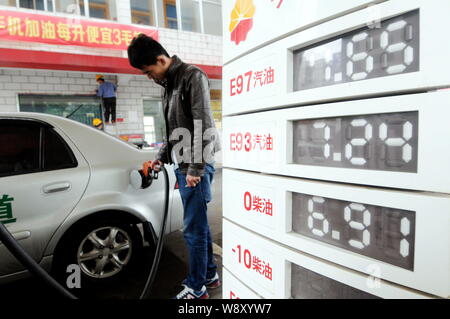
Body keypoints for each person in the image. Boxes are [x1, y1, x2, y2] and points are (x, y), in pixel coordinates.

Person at [128, 34, 221, 299]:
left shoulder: (193, 76)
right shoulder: (167, 84)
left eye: (149, 71)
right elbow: (174, 131)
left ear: (161, 59)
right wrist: (160, 156)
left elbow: (203, 123)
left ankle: (197, 288)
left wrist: (195, 169)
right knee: (198, 225)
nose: (149, 77)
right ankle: (210, 275)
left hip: (195, 167)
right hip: (183, 164)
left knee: (192, 229)